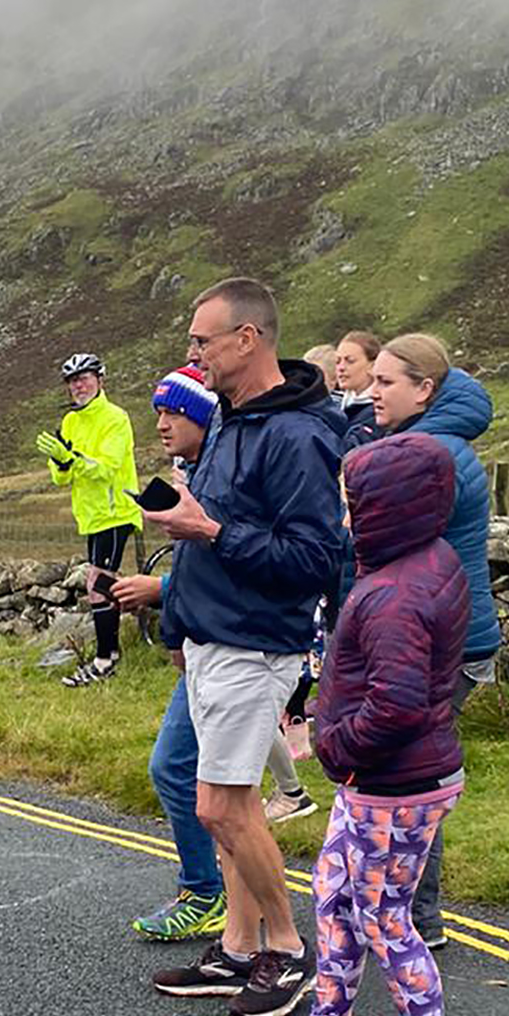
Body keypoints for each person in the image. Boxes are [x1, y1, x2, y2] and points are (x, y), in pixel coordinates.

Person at [137, 279, 348, 1016]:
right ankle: (235, 946)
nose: (193, 353)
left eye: (203, 339)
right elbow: (221, 519)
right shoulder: (233, 417)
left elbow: (314, 558)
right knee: (236, 802)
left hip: (252, 643)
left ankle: (288, 951)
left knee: (221, 806)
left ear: (248, 339)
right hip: (212, 635)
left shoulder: (299, 434)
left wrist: (213, 533)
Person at [248, 431, 474, 1016]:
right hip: (391, 778)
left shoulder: (397, 593)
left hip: (393, 783)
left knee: (382, 915)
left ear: (389, 505)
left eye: (354, 501)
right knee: (336, 894)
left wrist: (335, 744)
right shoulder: (425, 562)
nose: (346, 516)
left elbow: (398, 703)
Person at [107, 365, 313, 942]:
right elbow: (205, 568)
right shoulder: (197, 471)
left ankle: (269, 933)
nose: (162, 423)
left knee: (207, 792)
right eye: (158, 411)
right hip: (206, 643)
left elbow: (258, 562)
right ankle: (240, 938)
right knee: (222, 798)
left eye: (174, 412)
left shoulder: (237, 469)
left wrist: (162, 591)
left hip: (240, 645)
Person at [363, 331, 504, 946]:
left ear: (425, 390)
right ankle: (410, 913)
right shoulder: (427, 441)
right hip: (446, 632)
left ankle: (413, 917)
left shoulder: (431, 457)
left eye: (385, 382)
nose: (371, 392)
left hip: (440, 639)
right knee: (405, 769)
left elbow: (376, 544)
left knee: (405, 773)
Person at [35, 351, 144, 688]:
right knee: (102, 582)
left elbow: (106, 468)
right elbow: (61, 478)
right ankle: (144, 600)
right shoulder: (70, 422)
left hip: (115, 511)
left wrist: (73, 458)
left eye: (84, 378)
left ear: (100, 380)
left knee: (96, 582)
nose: (78, 385)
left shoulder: (115, 417)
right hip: (91, 516)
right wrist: (62, 462)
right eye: (72, 381)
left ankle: (106, 658)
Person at [332, 328, 385, 441]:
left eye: (350, 361)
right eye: (337, 361)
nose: (341, 368)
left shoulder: (379, 411)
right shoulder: (335, 405)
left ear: (372, 366)